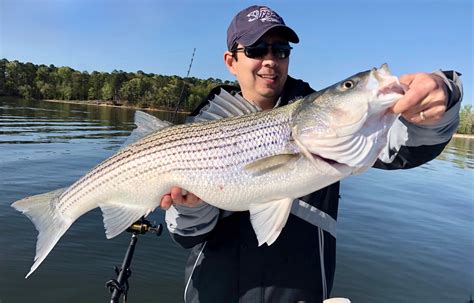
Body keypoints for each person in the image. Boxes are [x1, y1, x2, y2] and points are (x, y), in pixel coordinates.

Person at [160, 5, 463, 303]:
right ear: (231, 60)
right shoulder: (201, 128)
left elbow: (407, 146)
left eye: (280, 49)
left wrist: (442, 99)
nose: (270, 60)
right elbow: (185, 236)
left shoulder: (332, 125)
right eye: (255, 50)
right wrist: (191, 208)